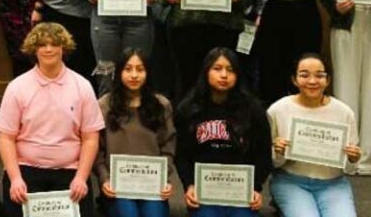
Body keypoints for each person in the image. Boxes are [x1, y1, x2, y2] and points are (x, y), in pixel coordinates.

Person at [0, 23, 104, 217]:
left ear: (63, 47)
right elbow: (6, 138)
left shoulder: (83, 86)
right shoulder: (16, 87)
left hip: (70, 171)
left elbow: (90, 138)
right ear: (34, 49)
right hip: (26, 169)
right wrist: (15, 179)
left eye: (54, 44)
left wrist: (81, 178)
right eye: (42, 45)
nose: (48, 49)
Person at [175, 48, 272, 217]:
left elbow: (263, 154)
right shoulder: (188, 109)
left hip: (241, 190)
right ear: (206, 72)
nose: (224, 75)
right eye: (217, 68)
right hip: (204, 190)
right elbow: (181, 154)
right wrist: (189, 184)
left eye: (230, 70)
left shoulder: (253, 109)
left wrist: (256, 187)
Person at [268, 54, 360, 216]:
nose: (312, 81)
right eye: (304, 75)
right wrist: (278, 151)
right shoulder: (278, 110)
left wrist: (353, 158)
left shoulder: (344, 112)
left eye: (319, 75)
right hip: (291, 181)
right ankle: (283, 203)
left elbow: (350, 167)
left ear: (328, 80)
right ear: (294, 80)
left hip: (333, 184)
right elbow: (270, 161)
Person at [95, 48, 175, 217]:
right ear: (119, 72)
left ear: (148, 73)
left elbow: (167, 147)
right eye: (128, 69)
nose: (134, 75)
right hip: (116, 187)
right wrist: (104, 179)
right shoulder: (104, 105)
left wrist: (164, 178)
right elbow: (97, 150)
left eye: (140, 69)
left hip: (152, 185)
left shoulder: (162, 105)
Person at [327, 0, 371, 174]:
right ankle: (347, 156)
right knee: (345, 87)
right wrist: (335, 6)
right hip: (345, 23)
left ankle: (367, 158)